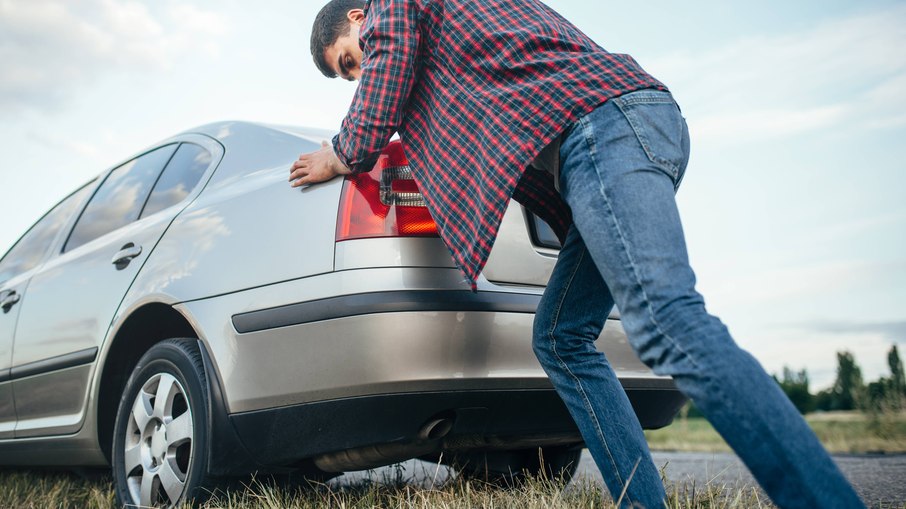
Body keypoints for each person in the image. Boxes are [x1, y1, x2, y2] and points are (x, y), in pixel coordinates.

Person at [290, 0, 865, 507]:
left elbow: (383, 85)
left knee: (667, 319)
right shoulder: (444, 40)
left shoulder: (394, 8)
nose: (360, 75)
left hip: (604, 130)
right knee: (560, 337)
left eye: (350, 62)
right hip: (613, 135)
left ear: (360, 19)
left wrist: (342, 154)